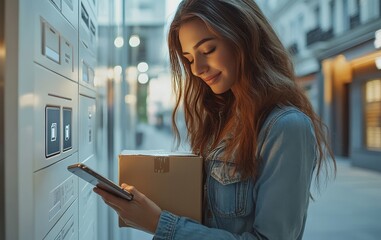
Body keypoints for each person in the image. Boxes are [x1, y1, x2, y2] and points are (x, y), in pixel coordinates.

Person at [93, 0, 337, 239]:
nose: (197, 68)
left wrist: (160, 223)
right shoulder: (219, 118)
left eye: (208, 50)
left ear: (243, 37)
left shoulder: (286, 127)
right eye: (188, 59)